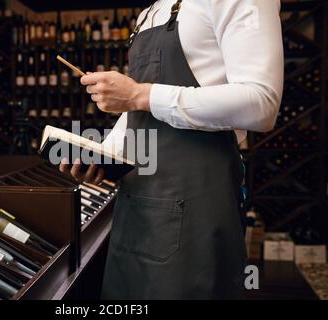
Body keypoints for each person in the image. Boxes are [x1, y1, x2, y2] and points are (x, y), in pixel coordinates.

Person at [60, 0, 283, 299]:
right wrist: (103, 154)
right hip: (135, 210)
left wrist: (140, 94)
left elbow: (261, 103)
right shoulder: (149, 13)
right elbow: (138, 111)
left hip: (195, 209)